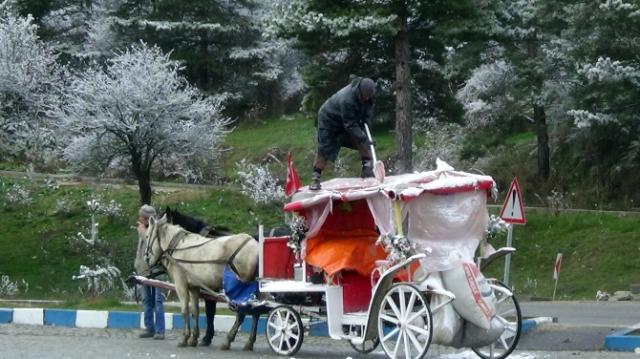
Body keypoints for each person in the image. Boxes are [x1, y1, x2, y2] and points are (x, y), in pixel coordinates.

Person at [310, 77, 377, 190]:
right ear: (359, 91)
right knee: (325, 148)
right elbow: (350, 125)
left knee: (362, 138)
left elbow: (367, 113)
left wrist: (366, 121)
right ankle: (316, 179)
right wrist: (363, 138)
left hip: (347, 119)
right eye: (364, 96)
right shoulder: (347, 100)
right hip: (329, 119)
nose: (366, 98)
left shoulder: (369, 96)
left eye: (368, 97)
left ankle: (367, 170)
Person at [134, 204, 165, 340]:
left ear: (146, 219)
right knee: (147, 300)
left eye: (141, 217)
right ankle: (149, 328)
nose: (139, 219)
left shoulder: (157, 230)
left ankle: (160, 331)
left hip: (157, 271)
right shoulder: (143, 229)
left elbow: (150, 242)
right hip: (144, 271)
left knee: (158, 301)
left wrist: (142, 231)